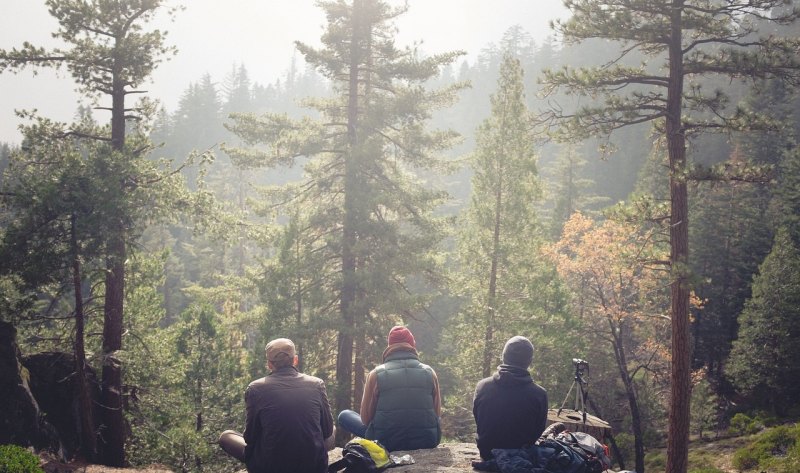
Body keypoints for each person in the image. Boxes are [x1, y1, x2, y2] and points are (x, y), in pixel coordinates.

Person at [218, 338, 334, 473]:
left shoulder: (256, 388)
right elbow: (327, 431)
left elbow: (250, 437)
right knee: (333, 429)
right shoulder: (316, 384)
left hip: (270, 467)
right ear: (295, 360)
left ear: (269, 364)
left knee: (226, 436)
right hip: (313, 467)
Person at [338, 325, 441, 451]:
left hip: (385, 443)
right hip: (427, 440)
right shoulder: (429, 372)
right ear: (412, 345)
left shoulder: (376, 374)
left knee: (344, 415)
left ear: (390, 347)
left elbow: (365, 419)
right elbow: (436, 414)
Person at [472, 335, 548, 460]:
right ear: (529, 361)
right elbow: (537, 431)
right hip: (520, 457)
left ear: (503, 356)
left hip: (488, 454)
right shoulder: (539, 394)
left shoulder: (482, 386)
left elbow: (479, 419)